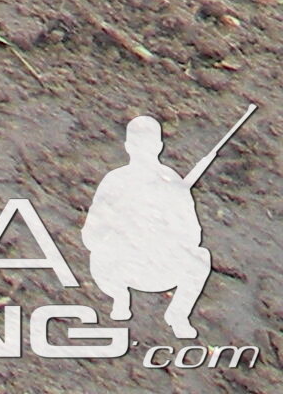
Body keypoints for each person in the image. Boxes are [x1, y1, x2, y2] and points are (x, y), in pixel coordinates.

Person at [82, 114, 215, 338]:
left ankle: (178, 314)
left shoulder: (171, 183)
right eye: (138, 144)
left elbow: (192, 236)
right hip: (120, 267)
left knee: (200, 257)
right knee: (99, 254)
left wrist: (164, 225)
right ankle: (120, 297)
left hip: (159, 267)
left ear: (158, 146)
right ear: (129, 147)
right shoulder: (115, 181)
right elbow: (91, 234)